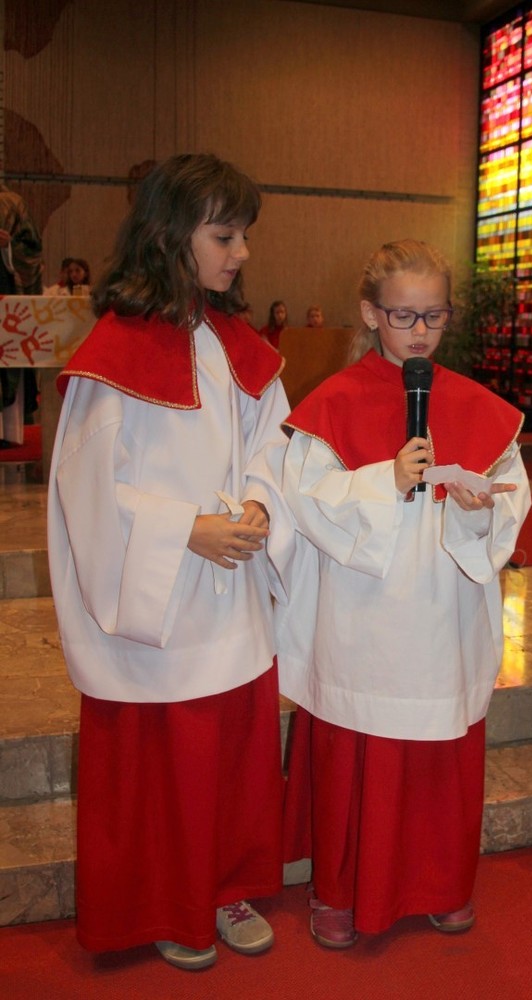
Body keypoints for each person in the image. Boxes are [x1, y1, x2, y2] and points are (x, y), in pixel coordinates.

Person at [47, 153, 292, 970]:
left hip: (231, 591)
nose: (242, 253)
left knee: (229, 757)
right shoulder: (114, 355)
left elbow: (277, 444)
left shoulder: (236, 345)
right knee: (164, 764)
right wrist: (186, 529)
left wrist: (260, 503)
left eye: (244, 235)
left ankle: (227, 888)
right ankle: (162, 903)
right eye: (224, 236)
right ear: (168, 236)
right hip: (158, 595)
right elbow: (87, 489)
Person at [276, 238, 531, 948]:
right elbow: (308, 501)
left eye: (434, 316)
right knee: (356, 750)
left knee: (439, 753)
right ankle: (339, 889)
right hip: (362, 612)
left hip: (443, 613)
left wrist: (479, 511)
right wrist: (383, 480)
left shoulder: (480, 408)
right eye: (403, 316)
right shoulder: (332, 405)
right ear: (371, 313)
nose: (420, 331)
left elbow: (510, 501)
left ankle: (440, 884)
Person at [0, 182, 43, 444]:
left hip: (5, 287)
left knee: (10, 358)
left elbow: (32, 247)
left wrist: (8, 245)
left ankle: (9, 433)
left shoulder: (12, 202)